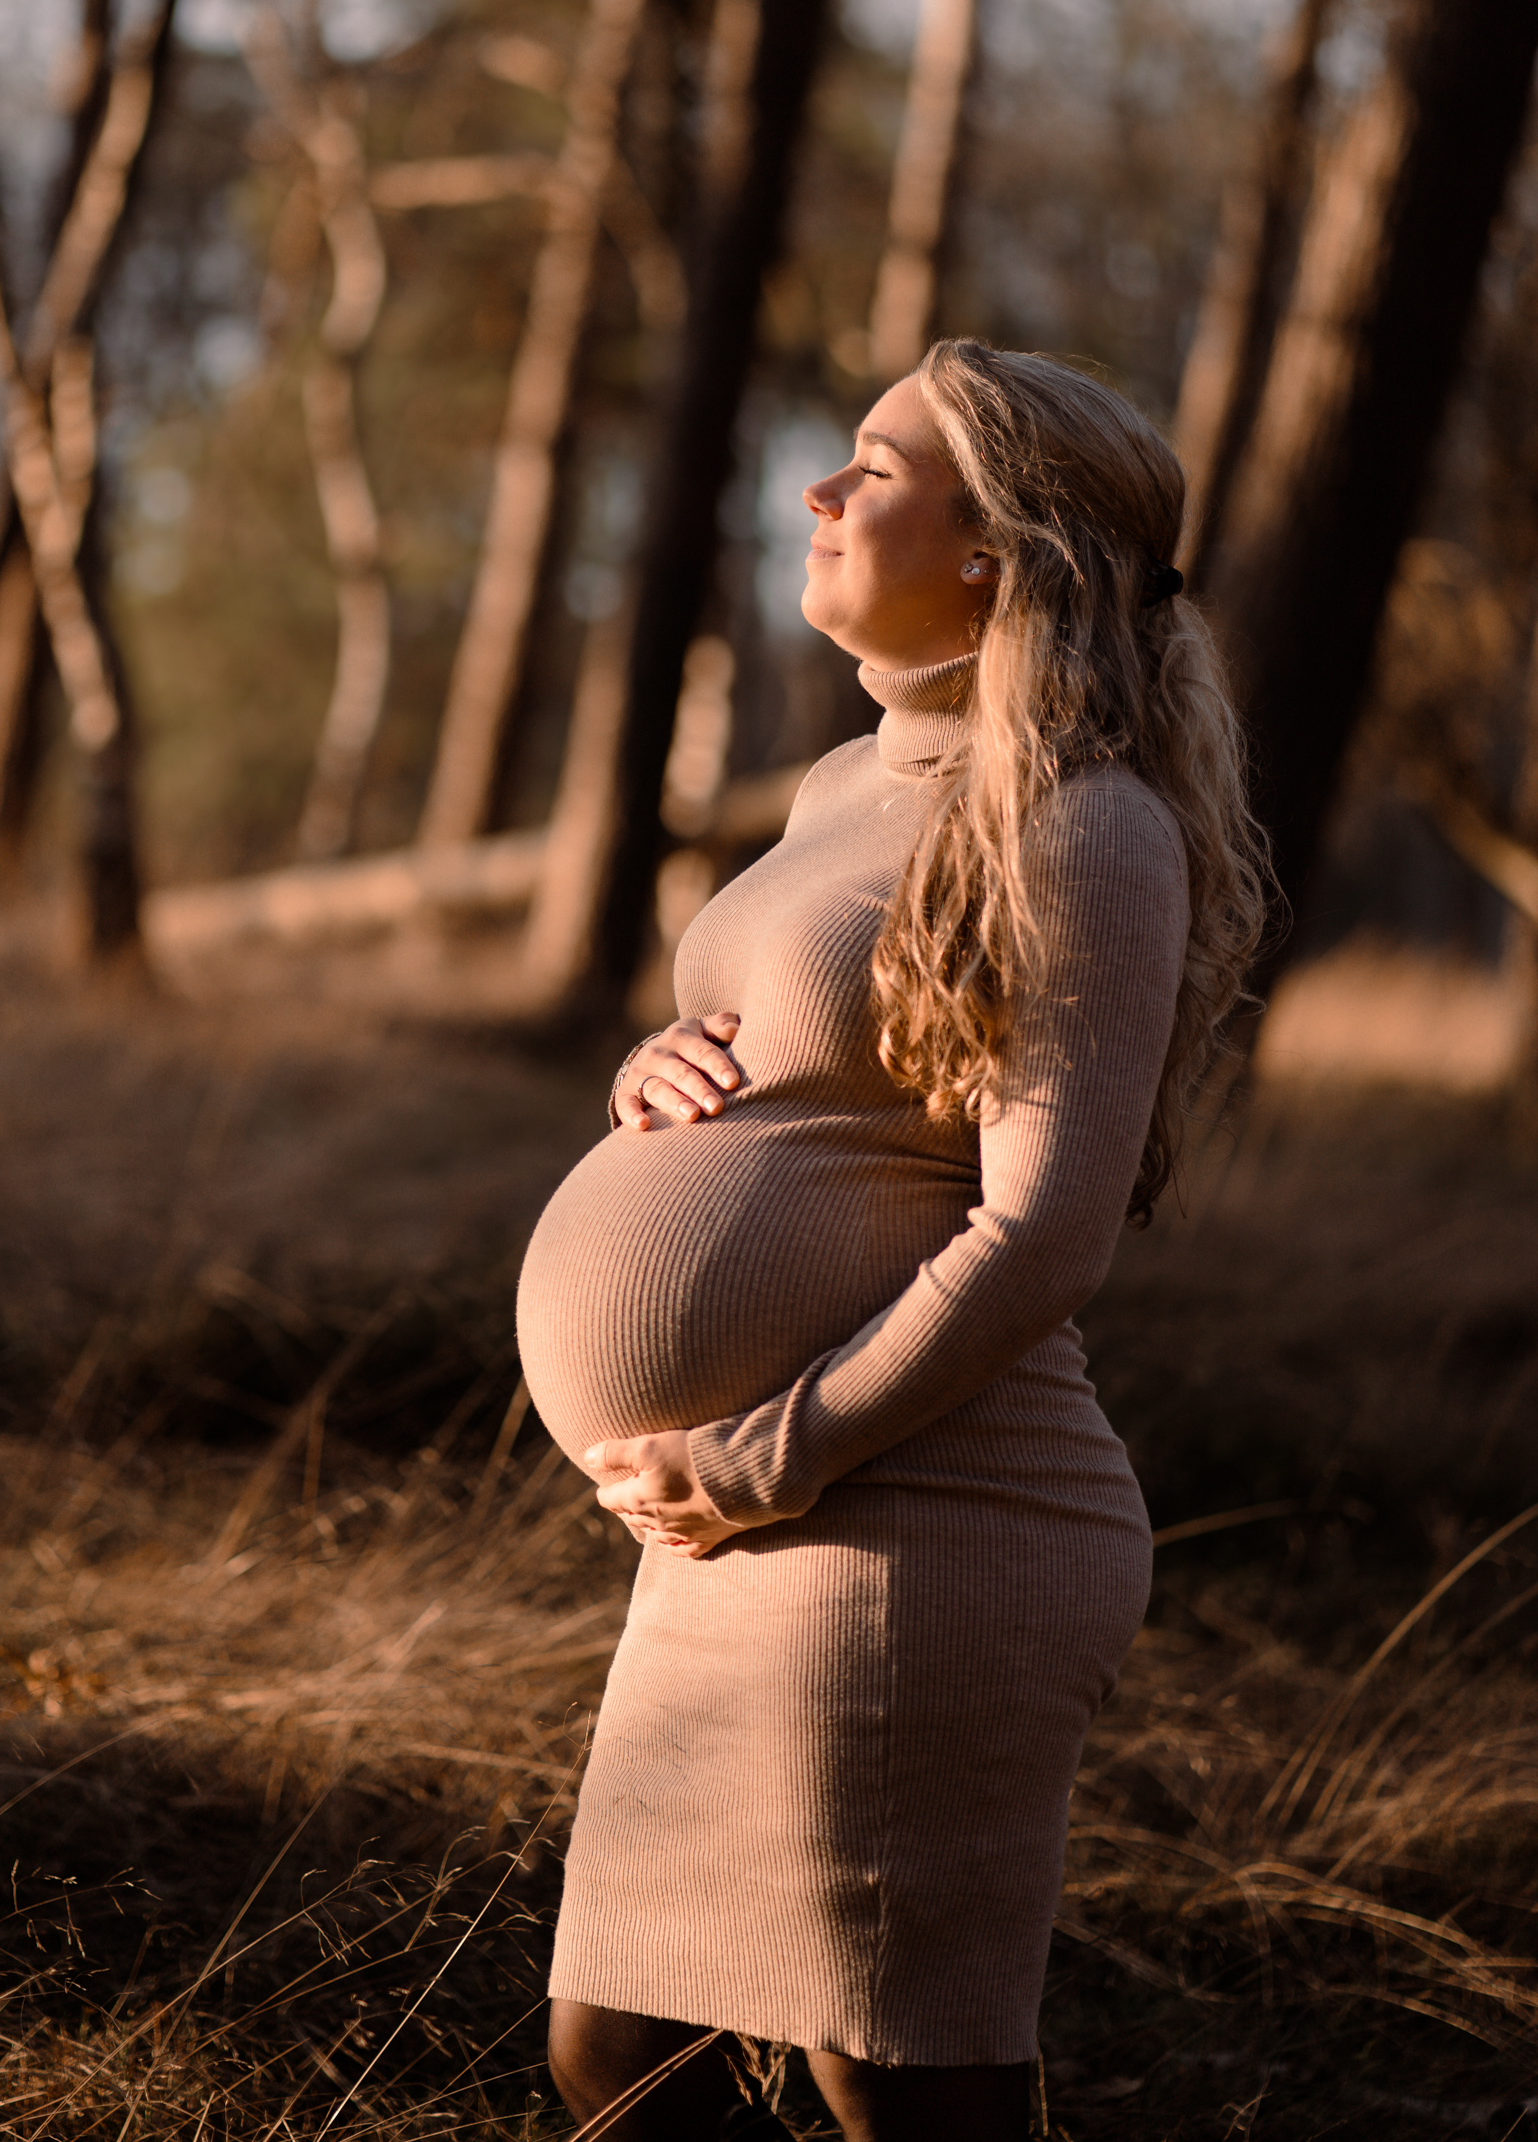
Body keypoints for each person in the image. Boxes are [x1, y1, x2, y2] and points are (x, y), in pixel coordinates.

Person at [516, 340, 1266, 2141]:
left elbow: (1043, 1230)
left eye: (872, 462)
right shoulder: (844, 786)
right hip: (747, 1521)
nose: (819, 491)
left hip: (928, 1517)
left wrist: (769, 1455)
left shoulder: (1086, 825)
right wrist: (661, 1061)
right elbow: (834, 1060)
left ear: (1001, 553)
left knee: (896, 2075)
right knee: (621, 2059)